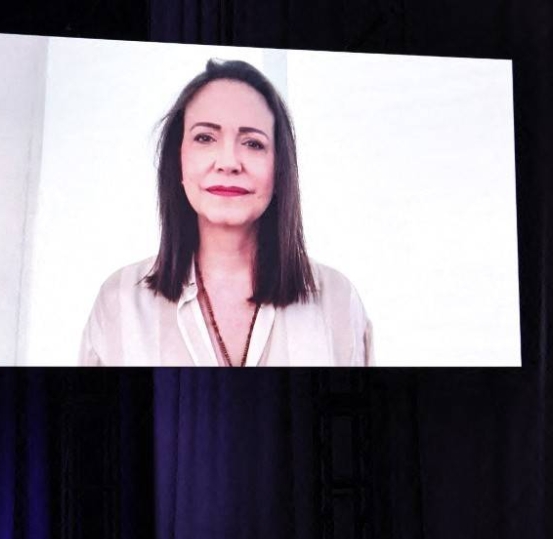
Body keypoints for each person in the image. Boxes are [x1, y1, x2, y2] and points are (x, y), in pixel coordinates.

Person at [79, 58, 372, 366]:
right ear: (177, 161)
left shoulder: (337, 300)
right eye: (205, 138)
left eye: (253, 143)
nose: (228, 161)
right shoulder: (119, 300)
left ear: (279, 169)